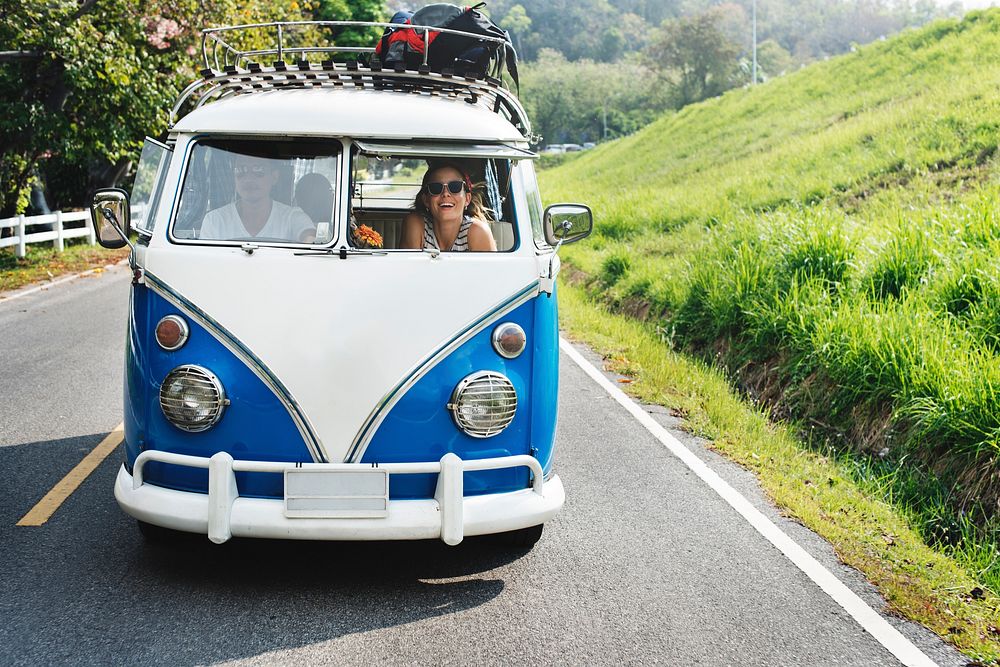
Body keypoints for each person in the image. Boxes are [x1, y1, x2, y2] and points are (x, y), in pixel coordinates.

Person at [200, 154, 314, 242]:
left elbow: (310, 237)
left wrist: (308, 240)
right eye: (241, 170)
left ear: (274, 177)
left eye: (258, 170)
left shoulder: (291, 217)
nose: (248, 178)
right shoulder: (214, 221)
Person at [400, 162, 497, 252]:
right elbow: (409, 269)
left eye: (455, 187)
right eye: (436, 188)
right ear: (426, 200)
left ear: (467, 199)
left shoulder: (478, 232)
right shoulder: (416, 224)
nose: (445, 193)